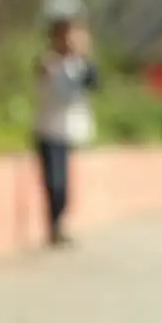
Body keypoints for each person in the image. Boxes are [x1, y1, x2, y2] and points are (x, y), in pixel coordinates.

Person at [33, 16, 99, 248]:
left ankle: (59, 224)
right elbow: (56, 92)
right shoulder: (48, 64)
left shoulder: (81, 66)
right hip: (48, 128)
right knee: (55, 181)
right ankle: (54, 225)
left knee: (65, 182)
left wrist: (83, 59)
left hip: (69, 130)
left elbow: (94, 84)